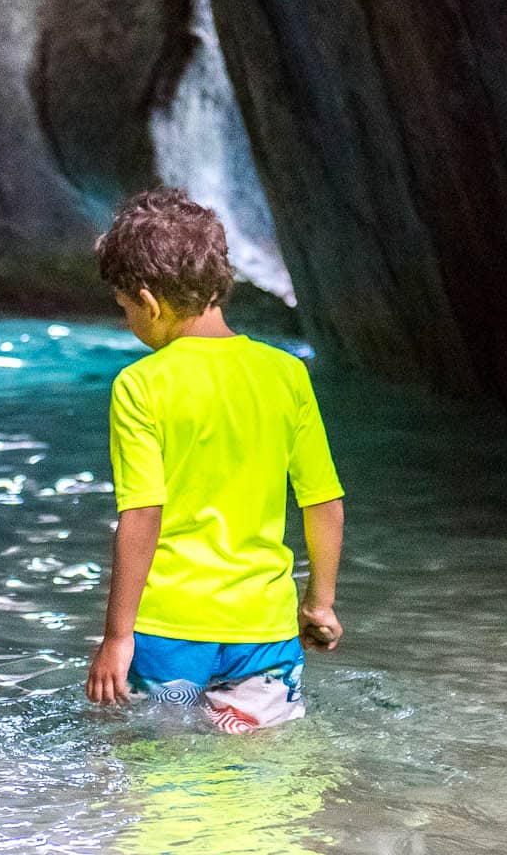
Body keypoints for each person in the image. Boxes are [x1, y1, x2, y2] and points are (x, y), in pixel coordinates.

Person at [83, 188, 346, 731]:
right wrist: (319, 603)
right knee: (262, 772)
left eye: (125, 307)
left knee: (157, 770)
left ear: (149, 301)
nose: (129, 320)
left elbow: (142, 515)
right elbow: (323, 502)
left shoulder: (140, 385)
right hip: (263, 629)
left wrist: (117, 637)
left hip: (168, 628)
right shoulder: (286, 374)